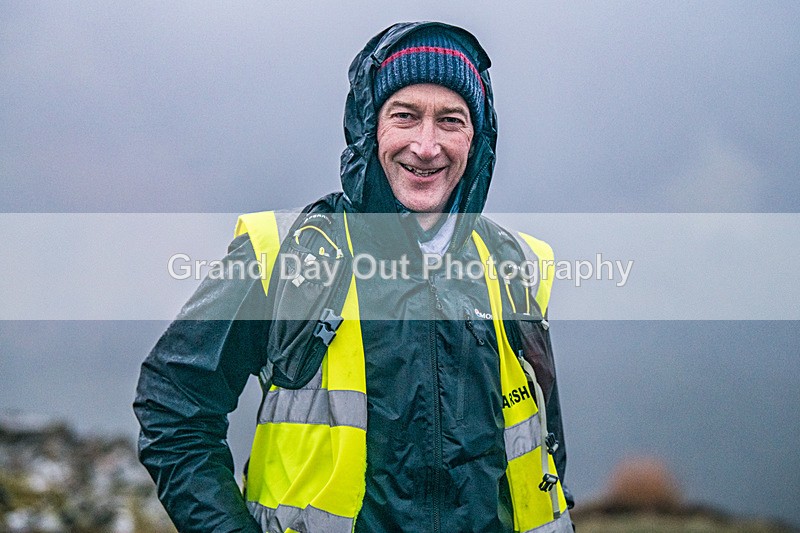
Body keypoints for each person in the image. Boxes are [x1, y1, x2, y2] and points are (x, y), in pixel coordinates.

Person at [134, 21, 574, 532]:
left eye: (451, 119)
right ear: (370, 129)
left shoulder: (517, 265)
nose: (427, 146)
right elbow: (174, 407)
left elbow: (543, 453)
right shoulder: (284, 255)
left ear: (478, 137)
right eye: (404, 116)